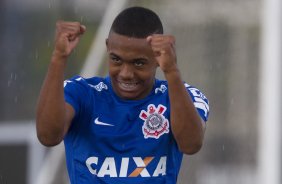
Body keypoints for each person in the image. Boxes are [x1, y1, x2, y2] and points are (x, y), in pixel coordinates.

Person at [36, 6, 209, 184]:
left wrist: (172, 71)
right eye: (116, 59)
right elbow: (48, 136)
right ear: (107, 48)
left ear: (158, 59)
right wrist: (58, 57)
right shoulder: (81, 92)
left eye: (139, 63)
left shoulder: (182, 96)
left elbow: (191, 144)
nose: (126, 73)